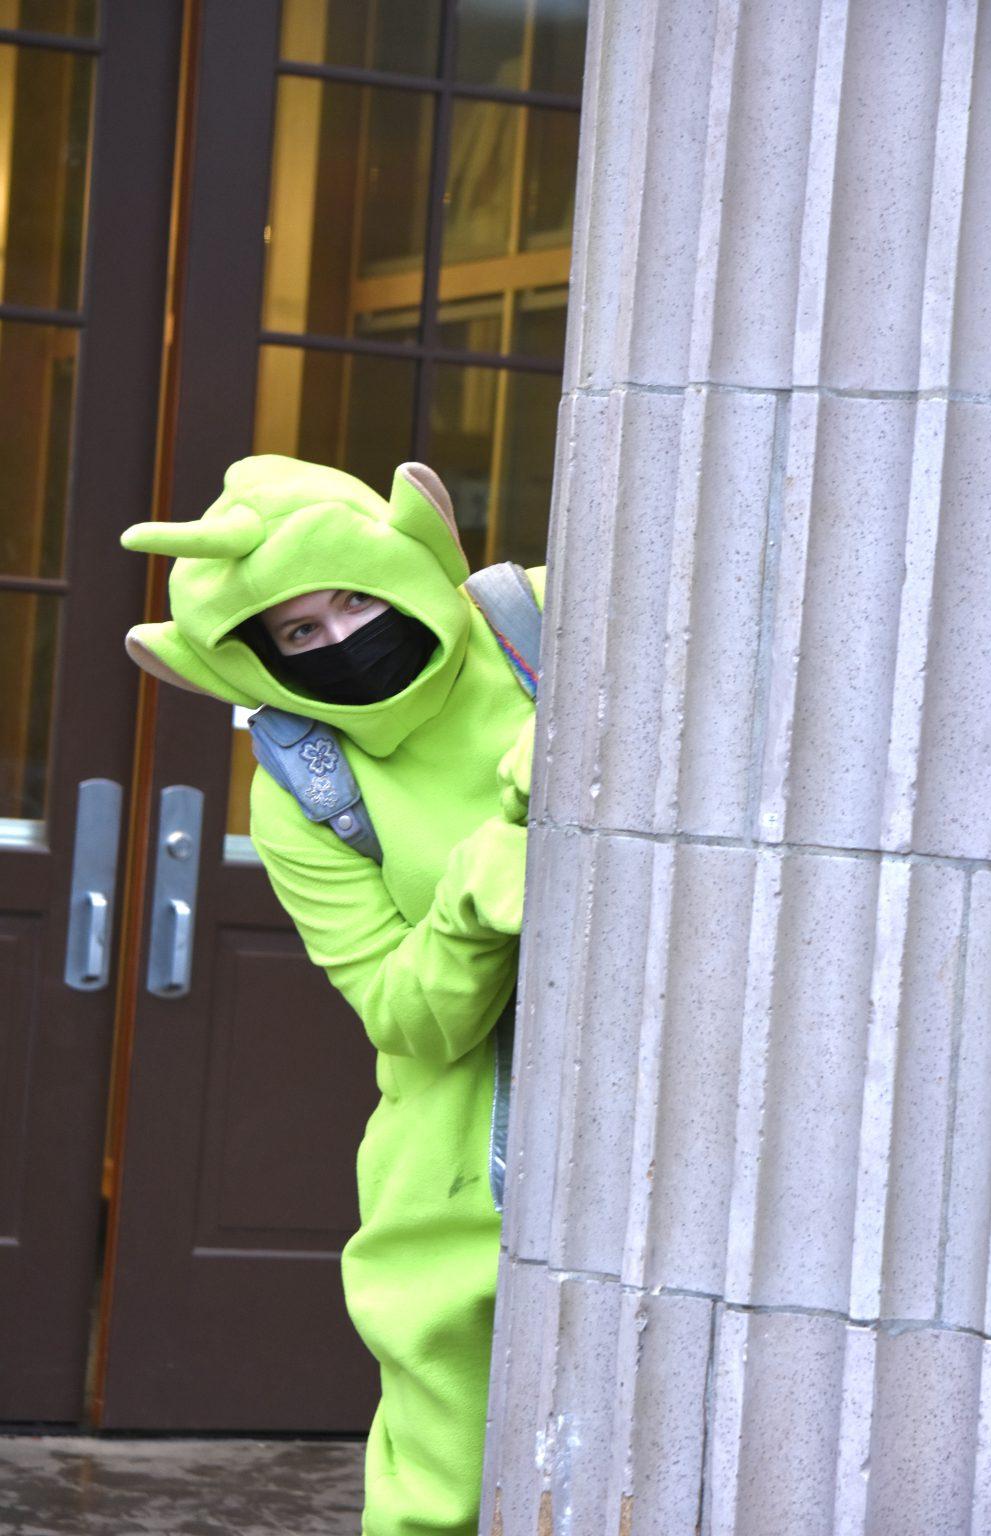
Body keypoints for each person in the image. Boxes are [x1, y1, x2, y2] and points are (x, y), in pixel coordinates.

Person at [120, 453, 540, 1536]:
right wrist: (484, 887)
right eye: (298, 633)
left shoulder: (542, 623)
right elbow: (407, 1015)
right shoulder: (301, 794)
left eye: (353, 597)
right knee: (434, 1493)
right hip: (457, 1174)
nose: (342, 638)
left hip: (691, 1103)